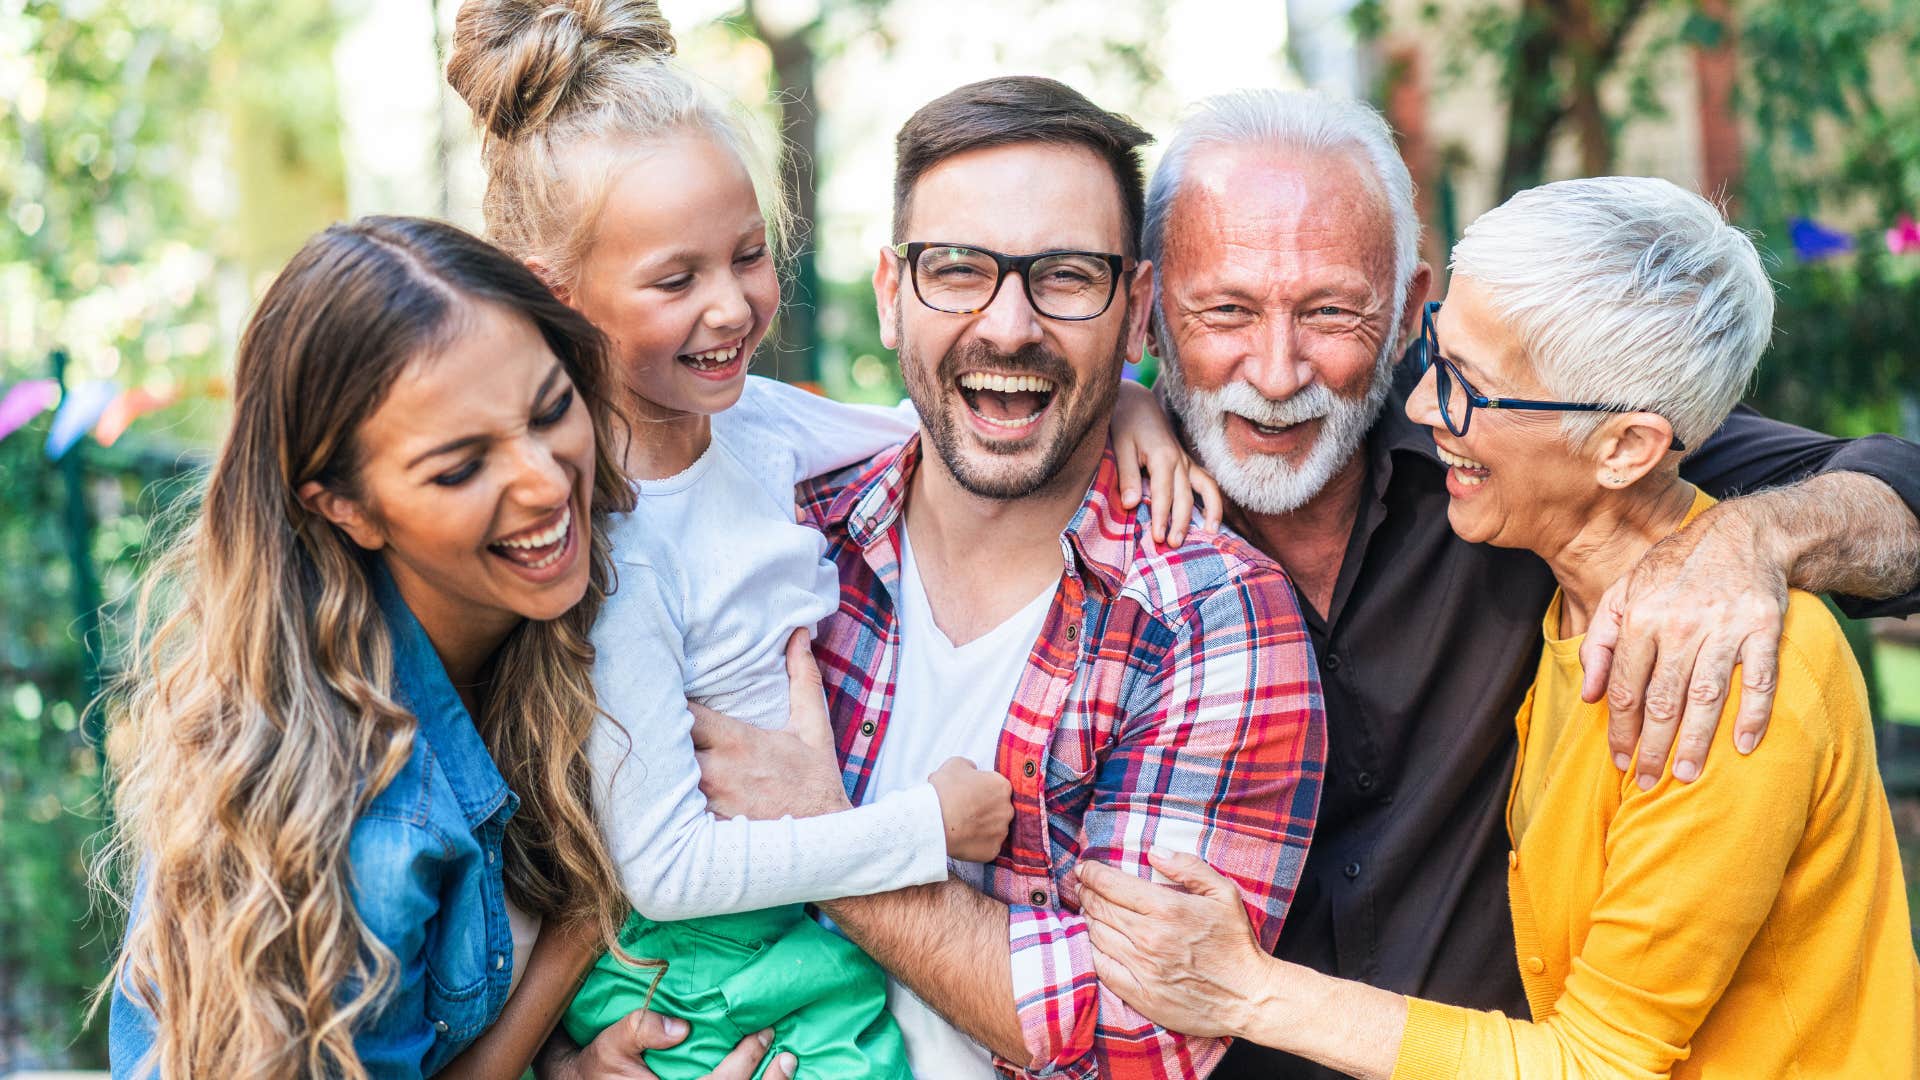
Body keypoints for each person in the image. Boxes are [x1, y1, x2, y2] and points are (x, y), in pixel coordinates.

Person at [442, 9, 1217, 1077]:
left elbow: (944, 426)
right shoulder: (612, 546)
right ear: (555, 296)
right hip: (692, 958)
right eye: (675, 281)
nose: (731, 307)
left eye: (748, 256)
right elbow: (661, 868)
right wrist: (922, 828)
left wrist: (1124, 400)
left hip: (784, 929)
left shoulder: (754, 426)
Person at [1129, 89, 1920, 1079]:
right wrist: (1120, 406)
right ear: (1148, 310)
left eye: (1331, 310)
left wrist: (1755, 534)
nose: (1279, 370)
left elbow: (1601, 1059)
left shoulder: (1689, 632)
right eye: (1225, 310)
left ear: (1405, 308)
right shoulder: (1103, 501)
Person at [686, 76, 1326, 1080]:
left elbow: (1136, 1035)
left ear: (1137, 311)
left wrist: (820, 836)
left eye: (1065, 276)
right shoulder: (777, 531)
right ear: (892, 296)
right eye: (957, 270)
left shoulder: (1210, 615)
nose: (1010, 325)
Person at [98, 216, 727, 1079]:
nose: (546, 482)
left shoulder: (552, 605)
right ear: (345, 507)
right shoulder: (366, 825)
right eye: (461, 468)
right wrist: (583, 928)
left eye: (551, 410)